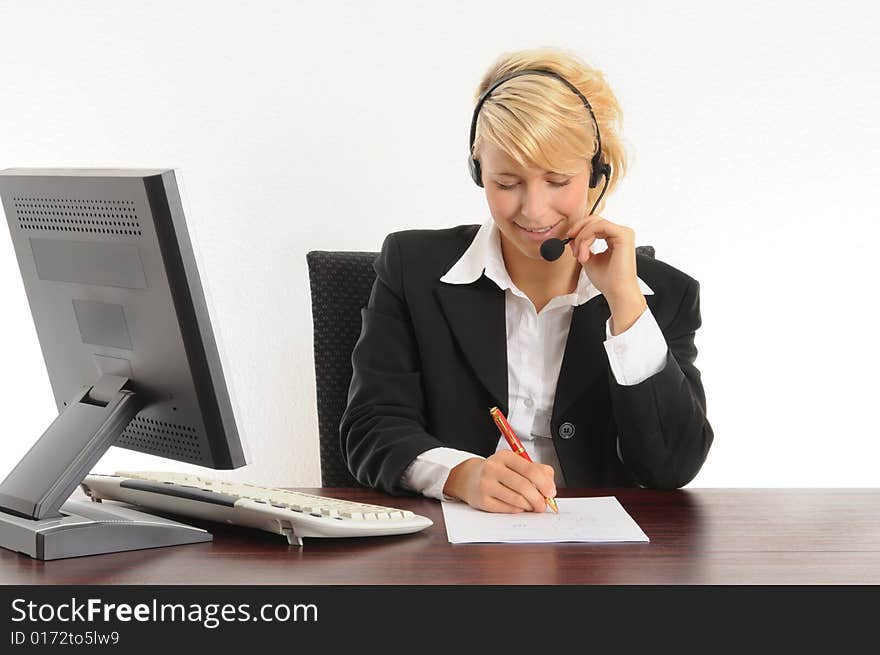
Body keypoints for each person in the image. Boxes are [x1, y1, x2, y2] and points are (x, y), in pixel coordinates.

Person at [340, 48, 712, 513]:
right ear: (479, 172)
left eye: (557, 181)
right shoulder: (411, 266)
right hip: (450, 548)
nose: (533, 211)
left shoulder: (665, 295)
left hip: (600, 562)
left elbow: (672, 467)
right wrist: (460, 475)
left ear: (598, 175)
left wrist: (625, 303)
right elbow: (371, 428)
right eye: (507, 182)